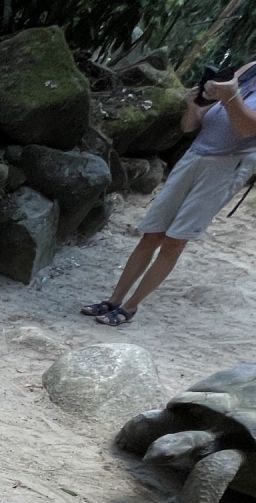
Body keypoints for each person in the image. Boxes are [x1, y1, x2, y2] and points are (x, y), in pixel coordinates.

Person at [82, 61, 256, 326]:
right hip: (195, 156)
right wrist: (196, 102)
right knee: (152, 233)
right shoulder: (251, 68)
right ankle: (113, 300)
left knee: (176, 240)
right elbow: (190, 126)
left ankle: (130, 307)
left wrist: (230, 94)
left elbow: (246, 129)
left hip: (226, 166)